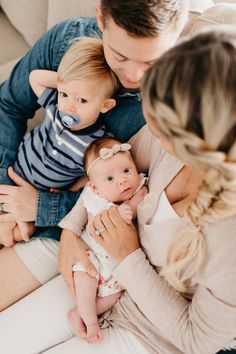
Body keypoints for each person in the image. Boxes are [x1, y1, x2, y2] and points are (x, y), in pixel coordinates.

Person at [1, 27, 236, 354]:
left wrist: (128, 256)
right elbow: (106, 169)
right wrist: (69, 231)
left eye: (162, 123)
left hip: (151, 333)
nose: (148, 125)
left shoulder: (229, 233)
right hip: (100, 269)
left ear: (201, 139)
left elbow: (198, 340)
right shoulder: (164, 144)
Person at [0, 0, 189, 311]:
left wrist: (40, 207)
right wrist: (6, 198)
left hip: (75, 227)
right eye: (120, 55)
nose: (134, 75)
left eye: (152, 62)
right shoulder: (67, 41)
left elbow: (140, 203)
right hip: (18, 177)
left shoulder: (177, 105)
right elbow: (9, 104)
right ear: (101, 17)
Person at [60, 137, 148, 342]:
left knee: (113, 296)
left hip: (116, 265)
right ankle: (90, 321)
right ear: (95, 187)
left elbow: (140, 202)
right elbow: (93, 226)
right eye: (110, 179)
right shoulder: (95, 198)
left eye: (126, 170)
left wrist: (131, 209)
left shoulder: (140, 187)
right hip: (92, 254)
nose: (122, 180)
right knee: (86, 278)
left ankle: (79, 313)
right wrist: (118, 213)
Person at [13, 36, 117, 191]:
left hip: (41, 193)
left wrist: (69, 190)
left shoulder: (98, 143)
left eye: (81, 100)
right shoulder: (54, 107)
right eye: (64, 94)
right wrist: (68, 83)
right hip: (14, 169)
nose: (69, 107)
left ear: (105, 105)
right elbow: (34, 77)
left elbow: (91, 173)